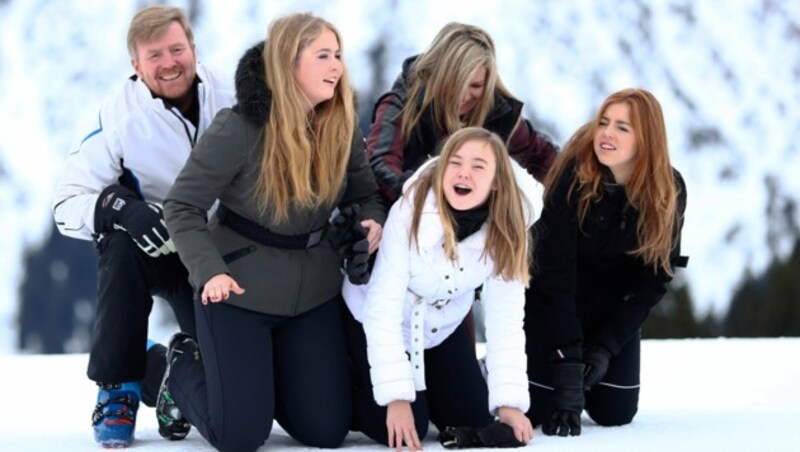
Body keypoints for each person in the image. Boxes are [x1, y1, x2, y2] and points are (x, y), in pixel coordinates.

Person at [159, 13, 386, 452]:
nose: (336, 65)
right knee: (240, 436)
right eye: (322, 55)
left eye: (337, 54)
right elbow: (181, 206)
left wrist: (371, 223)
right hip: (237, 292)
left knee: (325, 432)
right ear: (288, 63)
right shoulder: (239, 128)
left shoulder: (339, 124)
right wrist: (210, 273)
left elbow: (367, 196)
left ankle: (256, 385)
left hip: (313, 296)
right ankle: (182, 365)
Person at [51, 5, 235, 448]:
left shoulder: (233, 95)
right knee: (117, 242)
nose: (169, 62)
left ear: (193, 47)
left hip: (222, 257)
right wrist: (120, 208)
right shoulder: (120, 118)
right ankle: (118, 388)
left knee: (227, 373)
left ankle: (166, 368)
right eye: (155, 55)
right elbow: (64, 204)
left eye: (177, 49)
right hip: (159, 248)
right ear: (136, 66)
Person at [342, 127, 536, 451]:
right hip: (375, 319)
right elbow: (382, 310)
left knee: (473, 419)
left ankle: (425, 392)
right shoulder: (412, 210)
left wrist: (509, 403)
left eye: (478, 166)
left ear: (498, 181)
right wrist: (396, 397)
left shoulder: (509, 230)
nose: (463, 173)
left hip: (441, 327)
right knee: (410, 425)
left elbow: (506, 322)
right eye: (455, 163)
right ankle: (347, 381)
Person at [523, 88, 688, 436]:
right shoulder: (573, 177)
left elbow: (653, 279)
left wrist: (604, 348)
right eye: (604, 122)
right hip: (552, 303)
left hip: (610, 312)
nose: (607, 133)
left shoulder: (669, 190)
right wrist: (568, 362)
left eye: (622, 127)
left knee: (615, 412)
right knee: (536, 407)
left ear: (646, 139)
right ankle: (496, 368)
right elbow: (554, 275)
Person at [366, 22, 558, 206]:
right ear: (439, 76)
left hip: (470, 227)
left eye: (475, 86)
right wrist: (430, 199)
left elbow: (542, 156)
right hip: (402, 217)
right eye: (456, 84)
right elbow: (382, 166)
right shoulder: (402, 104)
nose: (464, 96)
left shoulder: (498, 114)